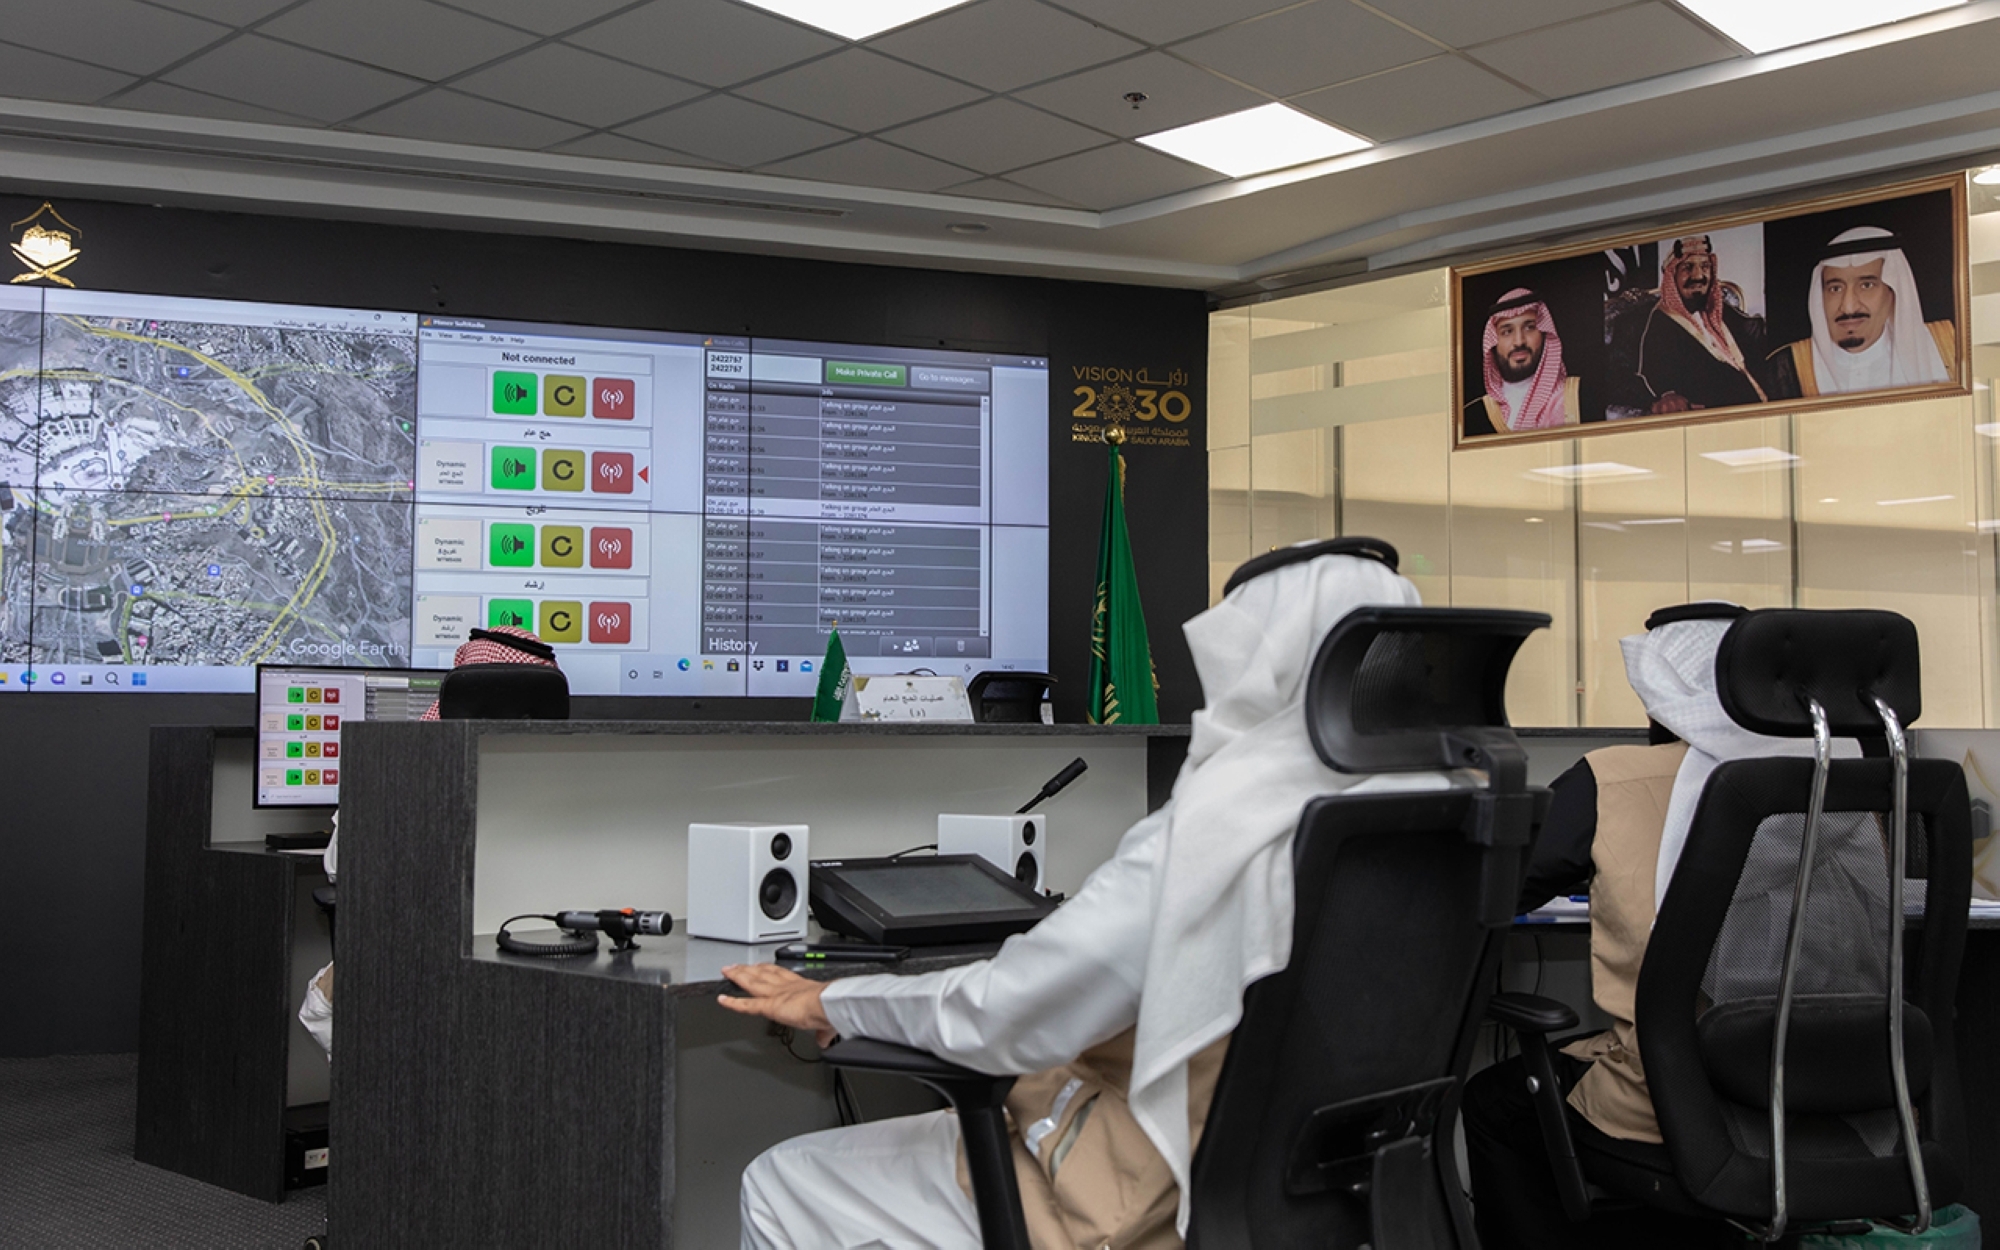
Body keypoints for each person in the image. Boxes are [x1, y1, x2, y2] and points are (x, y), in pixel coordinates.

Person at [719, 543, 1456, 1250]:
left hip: (1139, 1201)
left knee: (782, 1181)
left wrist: (830, 1003)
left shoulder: (1221, 833)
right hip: (1332, 1198)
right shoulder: (1442, 813)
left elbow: (1007, 1012)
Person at [1461, 602, 1861, 1249]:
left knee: (1497, 1102)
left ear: (1661, 695)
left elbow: (1503, 886)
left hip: (1679, 1097)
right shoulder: (1842, 776)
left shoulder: (1616, 777)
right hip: (1832, 1089)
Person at [297, 624, 560, 1059]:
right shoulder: (572, 778)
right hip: (541, 970)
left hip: (422, 978)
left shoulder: (393, 773)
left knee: (325, 1006)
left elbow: (340, 868)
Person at [1765, 225, 1956, 398]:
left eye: (1866, 285)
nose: (1848, 307)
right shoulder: (1787, 367)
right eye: (1835, 289)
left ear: (1892, 293)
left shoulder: (1947, 346)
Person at [1608, 236, 1769, 415]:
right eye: (1687, 267)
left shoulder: (1726, 314)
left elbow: (1757, 340)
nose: (1698, 276)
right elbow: (1626, 374)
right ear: (1672, 274)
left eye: (1705, 267)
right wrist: (1664, 396)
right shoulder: (1650, 322)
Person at [1463, 288, 1583, 437]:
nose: (1519, 341)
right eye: (1507, 331)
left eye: (1529, 328)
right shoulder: (1472, 416)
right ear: (1493, 342)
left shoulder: (1579, 396)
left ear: (1544, 333)